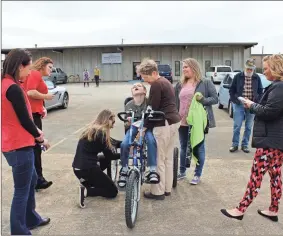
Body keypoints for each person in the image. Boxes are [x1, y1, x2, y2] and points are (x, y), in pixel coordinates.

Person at [221, 54, 283, 222]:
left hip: (270, 141)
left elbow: (270, 112)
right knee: (275, 176)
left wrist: (252, 105)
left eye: (267, 67)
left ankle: (240, 209)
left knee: (256, 175)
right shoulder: (277, 86)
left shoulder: (279, 87)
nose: (265, 70)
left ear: (276, 68)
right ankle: (273, 210)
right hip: (277, 141)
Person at [1, 48, 51, 235]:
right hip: (18, 145)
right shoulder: (12, 87)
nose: (30, 72)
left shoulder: (7, 83)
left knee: (31, 181)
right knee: (21, 190)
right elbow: (24, 119)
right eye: (28, 67)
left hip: (13, 143)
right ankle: (19, 230)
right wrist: (41, 137)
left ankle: (30, 217)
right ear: (19, 66)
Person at [137, 58, 181, 200]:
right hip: (174, 122)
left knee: (158, 159)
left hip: (163, 124)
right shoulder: (166, 82)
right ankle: (167, 189)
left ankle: (157, 192)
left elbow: (152, 110)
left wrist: (144, 128)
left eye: (146, 77)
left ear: (154, 72)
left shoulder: (156, 84)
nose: (146, 81)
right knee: (167, 158)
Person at [174, 58, 218, 184]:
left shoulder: (205, 82)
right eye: (183, 67)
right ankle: (182, 172)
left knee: (198, 147)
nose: (184, 69)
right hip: (182, 120)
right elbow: (175, 101)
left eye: (186, 67)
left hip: (198, 121)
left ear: (193, 68)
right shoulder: (180, 84)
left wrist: (202, 100)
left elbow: (215, 99)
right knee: (183, 146)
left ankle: (197, 174)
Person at [72, 109, 121, 208]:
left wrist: (125, 144)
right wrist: (125, 155)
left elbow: (114, 142)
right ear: (107, 120)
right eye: (113, 122)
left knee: (103, 159)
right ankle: (87, 191)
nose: (113, 125)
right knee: (112, 191)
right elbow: (110, 156)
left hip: (78, 169)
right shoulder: (102, 134)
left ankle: (88, 183)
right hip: (88, 169)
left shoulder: (91, 130)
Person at [118, 82, 158, 188]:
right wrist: (128, 121)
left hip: (146, 127)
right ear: (132, 93)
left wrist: (144, 128)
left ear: (144, 91)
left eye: (139, 86)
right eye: (134, 87)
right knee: (124, 144)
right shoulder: (129, 105)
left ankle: (152, 169)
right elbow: (126, 123)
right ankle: (124, 168)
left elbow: (152, 118)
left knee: (151, 140)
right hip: (134, 127)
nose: (135, 87)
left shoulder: (149, 102)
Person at [23, 57, 55, 190]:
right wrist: (46, 97)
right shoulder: (35, 74)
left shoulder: (37, 75)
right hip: (32, 116)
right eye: (50, 67)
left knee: (35, 148)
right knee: (36, 147)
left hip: (35, 114)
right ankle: (38, 179)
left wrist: (42, 106)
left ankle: (37, 178)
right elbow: (30, 92)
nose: (51, 70)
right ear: (42, 65)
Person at [229, 58, 263, 153]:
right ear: (245, 67)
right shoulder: (238, 76)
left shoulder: (256, 77)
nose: (249, 71)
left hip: (251, 105)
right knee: (237, 125)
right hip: (239, 104)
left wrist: (256, 101)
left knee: (248, 126)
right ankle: (235, 144)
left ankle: (245, 145)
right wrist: (236, 101)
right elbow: (232, 90)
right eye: (248, 69)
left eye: (251, 69)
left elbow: (260, 91)